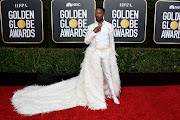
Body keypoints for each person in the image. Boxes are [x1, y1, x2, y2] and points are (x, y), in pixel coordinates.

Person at [11, 7, 121, 116]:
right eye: (96, 13)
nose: (98, 15)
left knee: (108, 74)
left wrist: (113, 53)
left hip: (106, 53)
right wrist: (93, 32)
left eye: (100, 13)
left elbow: (112, 42)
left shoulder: (109, 26)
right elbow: (86, 41)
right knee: (95, 76)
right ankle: (97, 94)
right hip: (95, 54)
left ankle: (113, 95)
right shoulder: (91, 27)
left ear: (103, 14)